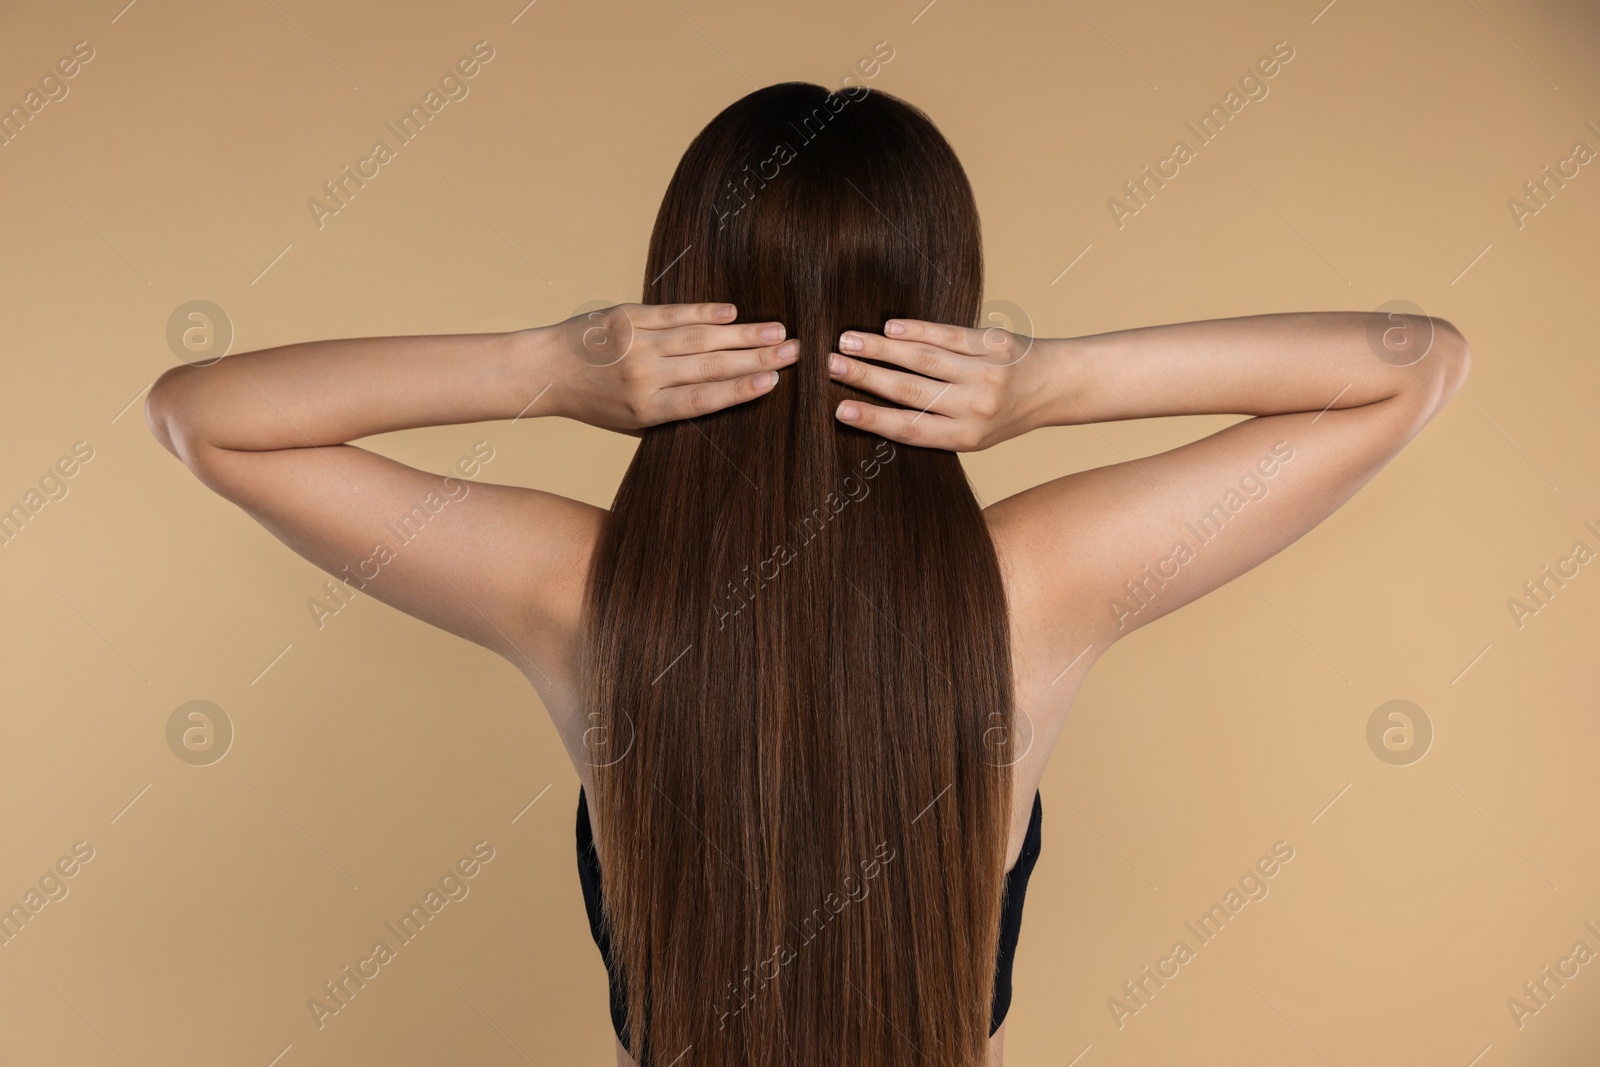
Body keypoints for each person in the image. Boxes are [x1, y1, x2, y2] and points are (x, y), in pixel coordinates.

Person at [145, 81, 1469, 1066]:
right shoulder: (1032, 588)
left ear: (680, 291)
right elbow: (1412, 366)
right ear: (945, 300)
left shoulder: (581, 592)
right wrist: (1053, 384)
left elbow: (205, 416)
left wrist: (546, 368)